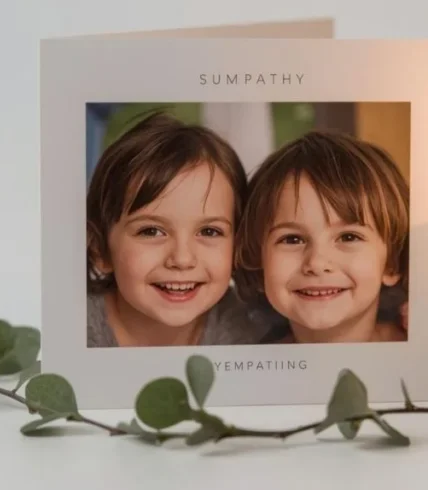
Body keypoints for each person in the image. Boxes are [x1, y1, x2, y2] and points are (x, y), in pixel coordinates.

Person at [85, 113, 273, 347]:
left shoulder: (251, 336)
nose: (182, 259)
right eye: (151, 231)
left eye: (209, 232)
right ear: (99, 250)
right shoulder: (71, 332)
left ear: (237, 246)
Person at [234, 130, 410, 343]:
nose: (316, 263)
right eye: (292, 239)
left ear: (392, 262)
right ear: (257, 262)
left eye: (348, 237)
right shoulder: (246, 365)